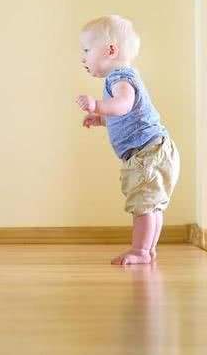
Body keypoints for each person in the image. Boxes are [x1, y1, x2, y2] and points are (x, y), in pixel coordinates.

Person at [76, 15, 180, 265]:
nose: (84, 57)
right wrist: (101, 119)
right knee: (152, 205)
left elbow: (124, 104)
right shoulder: (126, 76)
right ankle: (148, 249)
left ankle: (141, 251)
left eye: (87, 50)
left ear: (110, 50)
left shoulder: (119, 77)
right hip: (156, 149)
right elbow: (127, 114)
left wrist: (98, 105)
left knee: (143, 205)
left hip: (147, 153)